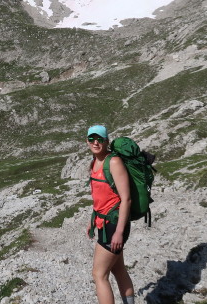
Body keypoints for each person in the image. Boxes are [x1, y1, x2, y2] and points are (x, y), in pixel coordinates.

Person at [86, 125, 135, 304]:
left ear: (107, 141)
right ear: (87, 141)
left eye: (99, 139)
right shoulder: (94, 161)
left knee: (99, 274)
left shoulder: (113, 162)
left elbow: (126, 199)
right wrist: (93, 219)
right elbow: (101, 196)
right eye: (92, 139)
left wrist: (119, 232)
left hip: (115, 224)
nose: (96, 142)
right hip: (103, 222)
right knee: (118, 270)